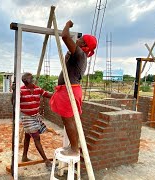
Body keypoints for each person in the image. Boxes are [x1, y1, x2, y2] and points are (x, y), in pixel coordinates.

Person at [49, 20, 97, 156]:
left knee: (67, 119)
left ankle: (74, 149)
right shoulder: (79, 54)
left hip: (69, 90)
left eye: (80, 38)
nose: (78, 39)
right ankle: (73, 146)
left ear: (84, 44)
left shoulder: (79, 53)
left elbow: (64, 36)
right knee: (69, 119)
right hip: (70, 89)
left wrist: (68, 26)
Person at [12, 72, 53, 168]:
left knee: (27, 136)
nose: (25, 83)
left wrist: (59, 94)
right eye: (24, 82)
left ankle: (24, 156)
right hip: (27, 117)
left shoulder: (38, 89)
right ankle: (46, 160)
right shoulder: (21, 90)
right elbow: (13, 102)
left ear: (31, 80)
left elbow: (47, 94)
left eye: (27, 81)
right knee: (36, 137)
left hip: (35, 116)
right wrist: (14, 92)